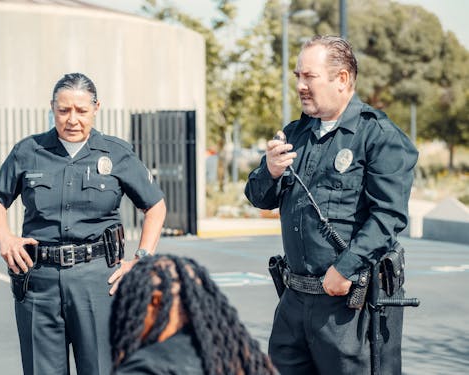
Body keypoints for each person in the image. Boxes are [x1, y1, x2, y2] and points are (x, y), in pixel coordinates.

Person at [245, 35, 418, 374]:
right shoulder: (295, 133)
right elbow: (258, 197)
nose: (300, 85)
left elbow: (389, 215)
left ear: (341, 79)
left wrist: (346, 268)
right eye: (297, 76)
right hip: (294, 302)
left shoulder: (378, 135)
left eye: (309, 76)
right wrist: (269, 170)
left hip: (347, 307)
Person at [0, 72, 167, 375]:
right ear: (52, 107)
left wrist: (140, 259)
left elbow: (155, 206)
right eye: (63, 110)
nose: (72, 119)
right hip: (38, 282)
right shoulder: (28, 151)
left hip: (98, 282)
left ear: (96, 108)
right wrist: (5, 238)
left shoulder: (116, 153)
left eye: (81, 111)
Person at [110, 254, 277, 375]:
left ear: (156, 301)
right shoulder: (237, 355)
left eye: (132, 306)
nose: (128, 320)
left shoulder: (146, 367)